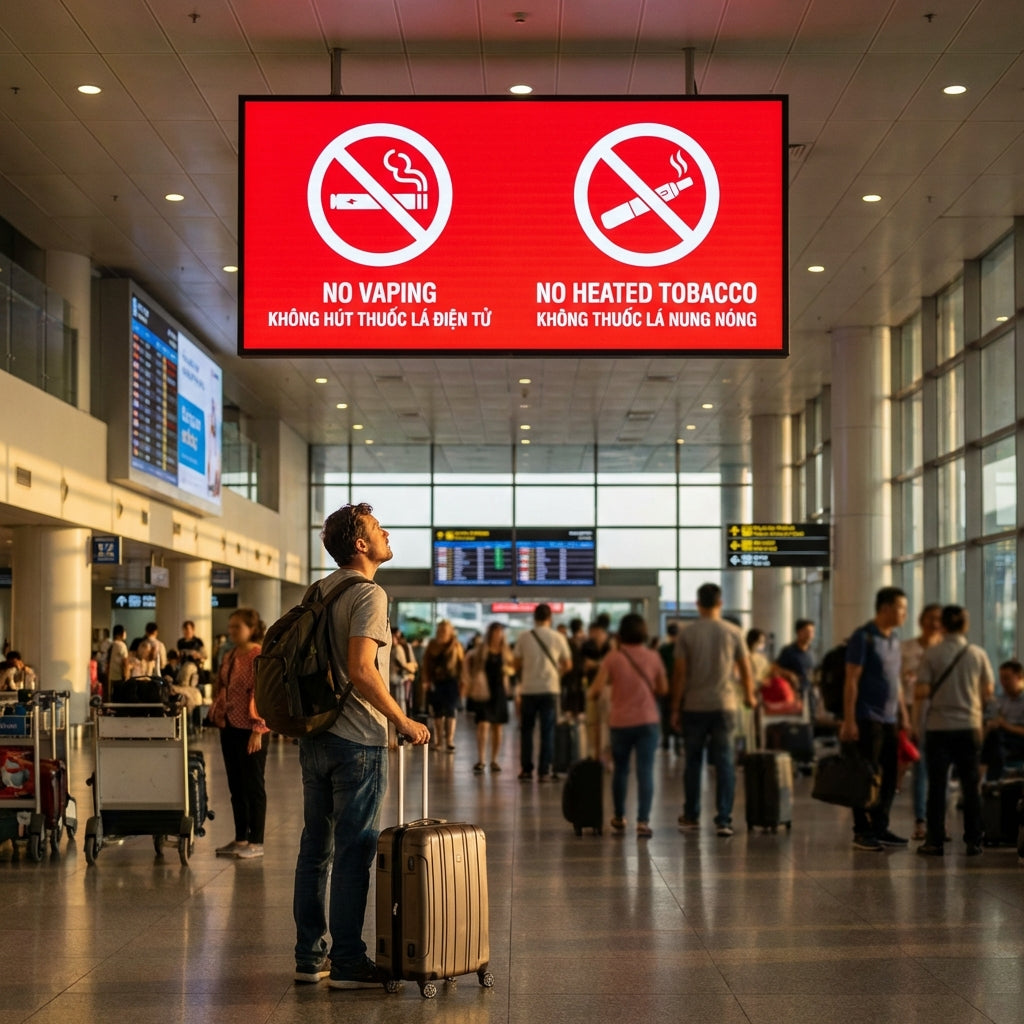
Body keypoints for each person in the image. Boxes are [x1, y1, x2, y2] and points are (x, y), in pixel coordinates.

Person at [292, 503, 429, 989]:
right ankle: (349, 962)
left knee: (316, 849)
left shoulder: (320, 590)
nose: (386, 532)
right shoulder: (369, 593)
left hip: (317, 738)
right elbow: (362, 669)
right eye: (377, 528)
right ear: (360, 545)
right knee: (354, 851)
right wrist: (401, 720)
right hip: (358, 740)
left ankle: (310, 957)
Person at [670, 583, 754, 837]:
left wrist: (675, 707)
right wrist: (749, 695)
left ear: (698, 604)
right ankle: (724, 819)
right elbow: (746, 669)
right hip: (725, 705)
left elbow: (680, 674)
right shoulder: (734, 632)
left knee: (693, 762)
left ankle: (692, 815)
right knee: (725, 762)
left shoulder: (687, 633)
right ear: (720, 603)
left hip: (694, 706)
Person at [913, 605, 994, 857]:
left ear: (943, 626)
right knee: (971, 786)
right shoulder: (977, 653)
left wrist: (918, 724)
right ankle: (974, 841)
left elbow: (921, 692)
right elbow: (988, 691)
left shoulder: (931, 654)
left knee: (937, 786)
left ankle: (934, 841)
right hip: (969, 727)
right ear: (965, 626)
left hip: (939, 728)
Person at [840, 586, 910, 852]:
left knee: (891, 776)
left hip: (891, 719)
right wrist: (849, 720)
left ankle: (880, 826)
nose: (905, 612)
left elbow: (896, 682)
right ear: (885, 608)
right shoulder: (863, 637)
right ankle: (862, 830)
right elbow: (851, 680)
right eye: (901, 607)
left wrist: (904, 715)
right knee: (864, 776)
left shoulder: (894, 640)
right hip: (866, 717)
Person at [589, 614, 668, 838]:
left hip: (620, 722)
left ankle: (619, 816)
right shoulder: (653, 657)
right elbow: (663, 689)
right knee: (645, 770)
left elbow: (595, 689)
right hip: (647, 721)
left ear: (621, 634)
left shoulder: (613, 658)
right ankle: (643, 821)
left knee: (620, 770)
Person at [208, 607, 269, 860]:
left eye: (237, 627)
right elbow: (223, 686)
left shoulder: (259, 656)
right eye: (231, 626)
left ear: (251, 629)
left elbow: (263, 694)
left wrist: (258, 729)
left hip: (251, 729)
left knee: (253, 784)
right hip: (230, 726)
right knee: (236, 785)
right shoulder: (230, 654)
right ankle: (241, 837)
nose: (232, 631)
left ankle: (257, 841)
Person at [514, 603, 572, 781]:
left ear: (534, 618)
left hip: (529, 689)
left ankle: (526, 769)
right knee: (547, 731)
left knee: (526, 730)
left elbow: (516, 663)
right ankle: (544, 771)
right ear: (550, 618)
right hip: (550, 689)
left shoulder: (524, 637)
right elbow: (568, 664)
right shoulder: (557, 637)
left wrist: (529, 670)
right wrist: (556, 673)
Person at [900, 603, 943, 838]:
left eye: (938, 618)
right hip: (914, 712)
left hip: (941, 713)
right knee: (920, 767)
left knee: (942, 771)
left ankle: (939, 820)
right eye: (930, 618)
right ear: (921, 621)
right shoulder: (906, 648)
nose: (934, 623)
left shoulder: (948, 650)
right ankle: (921, 820)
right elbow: (897, 683)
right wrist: (905, 718)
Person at [462, 621, 514, 773]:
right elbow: (468, 663)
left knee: (498, 727)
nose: (498, 636)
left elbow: (512, 668)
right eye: (495, 632)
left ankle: (494, 760)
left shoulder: (505, 651)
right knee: (483, 725)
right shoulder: (480, 650)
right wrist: (468, 682)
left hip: (499, 692)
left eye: (500, 633)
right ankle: (481, 759)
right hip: (484, 691)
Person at [422, 620, 464, 751]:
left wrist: (463, 682)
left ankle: (450, 740)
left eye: (445, 630)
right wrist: (425, 681)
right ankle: (439, 740)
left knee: (451, 711)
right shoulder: (432, 645)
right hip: (436, 682)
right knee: (438, 712)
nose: (443, 632)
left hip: (452, 682)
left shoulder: (456, 645)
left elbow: (461, 664)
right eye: (441, 630)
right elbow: (426, 664)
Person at [982, 660, 1024, 781]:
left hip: (1017, 739)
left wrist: (1004, 724)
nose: (1003, 682)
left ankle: (991, 781)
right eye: (1001, 678)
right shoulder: (998, 699)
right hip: (998, 735)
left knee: (995, 745)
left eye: (1007, 678)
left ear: (1020, 678)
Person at [581, 618, 613, 765]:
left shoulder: (611, 644)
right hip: (591, 687)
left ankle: (608, 756)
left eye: (594, 632)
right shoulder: (587, 646)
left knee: (607, 723)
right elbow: (583, 665)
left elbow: (611, 664)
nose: (592, 635)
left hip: (609, 688)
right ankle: (595, 753)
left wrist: (594, 664)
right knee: (593, 722)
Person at [772, 619, 815, 711]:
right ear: (799, 632)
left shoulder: (811, 652)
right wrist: (789, 675)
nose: (810, 635)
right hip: (794, 694)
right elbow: (776, 669)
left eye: (812, 632)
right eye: (807, 631)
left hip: (809, 693)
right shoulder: (789, 651)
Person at [658, 623, 680, 752]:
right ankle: (677, 740)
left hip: (666, 686)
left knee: (666, 713)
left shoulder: (663, 649)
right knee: (676, 712)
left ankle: (666, 739)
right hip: (678, 686)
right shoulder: (682, 648)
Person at [389, 626, 417, 714]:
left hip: (396, 678)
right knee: (400, 702)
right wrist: (412, 670)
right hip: (398, 679)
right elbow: (404, 664)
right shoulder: (397, 648)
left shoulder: (398, 648)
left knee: (400, 701)